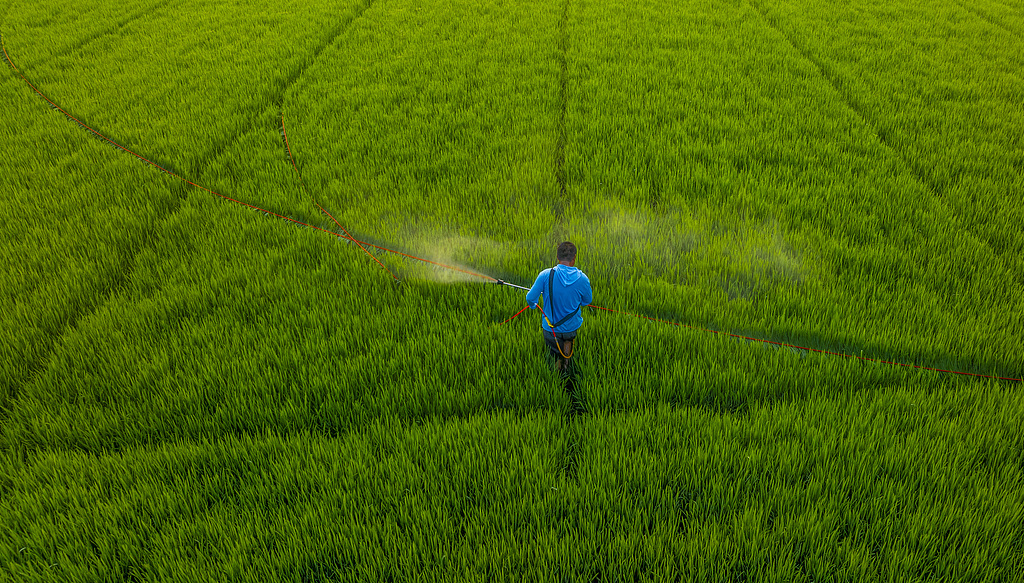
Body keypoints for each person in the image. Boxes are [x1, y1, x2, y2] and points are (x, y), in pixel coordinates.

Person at [526, 241, 592, 377]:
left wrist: (533, 306)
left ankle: (557, 375)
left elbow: (530, 298)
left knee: (554, 352)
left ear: (557, 257)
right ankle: (567, 364)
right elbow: (587, 301)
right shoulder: (583, 279)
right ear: (574, 258)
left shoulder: (545, 275)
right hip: (571, 327)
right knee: (568, 341)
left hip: (550, 328)